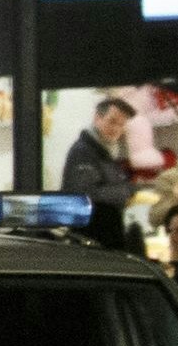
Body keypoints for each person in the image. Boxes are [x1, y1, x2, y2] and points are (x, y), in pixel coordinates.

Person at [58, 94, 137, 243]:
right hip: (90, 240)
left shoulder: (106, 151)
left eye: (121, 125)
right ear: (97, 118)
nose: (116, 129)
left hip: (103, 237)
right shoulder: (83, 152)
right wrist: (127, 191)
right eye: (112, 121)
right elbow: (86, 195)